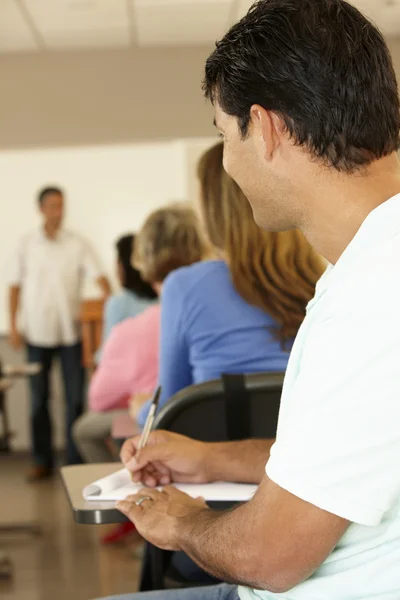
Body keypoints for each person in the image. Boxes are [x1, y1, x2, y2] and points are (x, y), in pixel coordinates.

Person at [97, 0, 400, 599]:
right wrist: (211, 460)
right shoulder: (369, 267)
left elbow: (271, 557)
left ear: (264, 128)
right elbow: (346, 459)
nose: (228, 162)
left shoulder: (371, 298)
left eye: (223, 135)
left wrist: (181, 522)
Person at [135, 141, 324, 428]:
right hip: (306, 459)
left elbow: (166, 408)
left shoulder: (184, 287)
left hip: (212, 463)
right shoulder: (321, 280)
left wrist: (138, 410)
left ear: (213, 209)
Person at [72, 203, 207, 465]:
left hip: (167, 422)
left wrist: (140, 405)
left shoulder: (131, 325)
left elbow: (103, 398)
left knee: (98, 427)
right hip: (223, 431)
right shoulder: (230, 305)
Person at [8, 186, 111, 481]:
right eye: (53, 206)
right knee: (39, 401)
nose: (58, 211)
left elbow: (101, 277)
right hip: (37, 335)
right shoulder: (27, 244)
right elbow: (14, 286)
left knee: (75, 400)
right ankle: (42, 461)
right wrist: (13, 325)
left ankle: (75, 461)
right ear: (41, 209)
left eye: (61, 205)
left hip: (71, 334)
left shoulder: (77, 243)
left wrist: (113, 305)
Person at [95, 234, 157, 363]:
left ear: (125, 266)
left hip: (127, 374)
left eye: (118, 261)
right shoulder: (164, 300)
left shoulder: (118, 304)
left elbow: (107, 354)